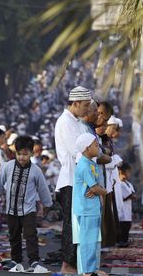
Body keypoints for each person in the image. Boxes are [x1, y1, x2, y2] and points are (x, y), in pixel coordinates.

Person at [0, 136, 52, 273]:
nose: (21, 157)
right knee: (13, 235)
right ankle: (16, 259)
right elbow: (0, 183)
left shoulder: (36, 170)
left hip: (28, 209)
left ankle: (34, 261)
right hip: (11, 209)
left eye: (25, 154)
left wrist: (47, 204)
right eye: (19, 154)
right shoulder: (8, 166)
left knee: (30, 235)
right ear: (15, 153)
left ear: (31, 154)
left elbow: (43, 188)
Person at [54, 86, 92, 273]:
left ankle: (78, 262)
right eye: (85, 105)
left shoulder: (78, 122)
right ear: (75, 103)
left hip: (81, 180)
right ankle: (67, 264)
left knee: (80, 224)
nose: (87, 109)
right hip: (71, 180)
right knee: (72, 224)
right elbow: (78, 153)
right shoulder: (65, 123)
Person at [72, 133, 107, 276]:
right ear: (87, 148)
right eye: (96, 145)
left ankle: (92, 269)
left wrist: (98, 190)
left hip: (92, 207)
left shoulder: (90, 163)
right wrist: (103, 191)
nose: (98, 148)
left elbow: (96, 188)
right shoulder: (84, 165)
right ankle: (87, 270)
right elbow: (95, 188)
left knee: (93, 240)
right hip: (86, 208)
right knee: (87, 241)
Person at [116, 163, 135, 247]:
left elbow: (132, 194)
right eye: (128, 172)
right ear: (121, 172)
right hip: (122, 208)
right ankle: (121, 241)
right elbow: (127, 196)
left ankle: (125, 241)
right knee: (122, 226)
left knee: (127, 226)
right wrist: (130, 196)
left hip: (128, 208)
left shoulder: (128, 183)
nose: (129, 174)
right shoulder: (120, 184)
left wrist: (131, 196)